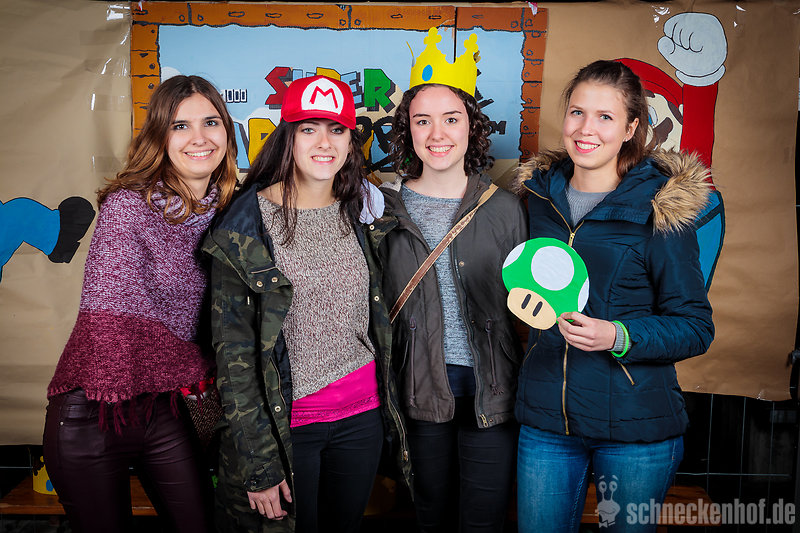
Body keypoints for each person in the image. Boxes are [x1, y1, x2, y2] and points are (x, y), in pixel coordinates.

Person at [512, 59, 715, 532]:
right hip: (547, 422)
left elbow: (695, 326)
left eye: (605, 117)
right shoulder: (536, 198)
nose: (587, 129)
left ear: (630, 128)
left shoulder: (659, 208)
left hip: (634, 429)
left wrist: (616, 335)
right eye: (577, 112)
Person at [202, 74, 411, 533]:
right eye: (308, 128)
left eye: (336, 130)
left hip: (361, 419)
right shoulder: (244, 226)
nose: (324, 143)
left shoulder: (365, 213)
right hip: (289, 428)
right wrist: (259, 463)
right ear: (288, 138)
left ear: (351, 141)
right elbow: (233, 358)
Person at [43, 74, 239, 533]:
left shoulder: (233, 213)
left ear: (227, 133)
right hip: (93, 411)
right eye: (180, 126)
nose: (199, 138)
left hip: (163, 407)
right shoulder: (128, 207)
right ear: (159, 138)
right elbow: (114, 327)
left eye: (210, 122)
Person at [375, 28, 527, 532]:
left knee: (484, 520)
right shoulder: (382, 210)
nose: (437, 133)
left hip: (492, 389)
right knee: (430, 517)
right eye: (423, 120)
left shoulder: (505, 209)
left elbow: (528, 305)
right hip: (419, 389)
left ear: (471, 126)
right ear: (408, 130)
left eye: (451, 118)